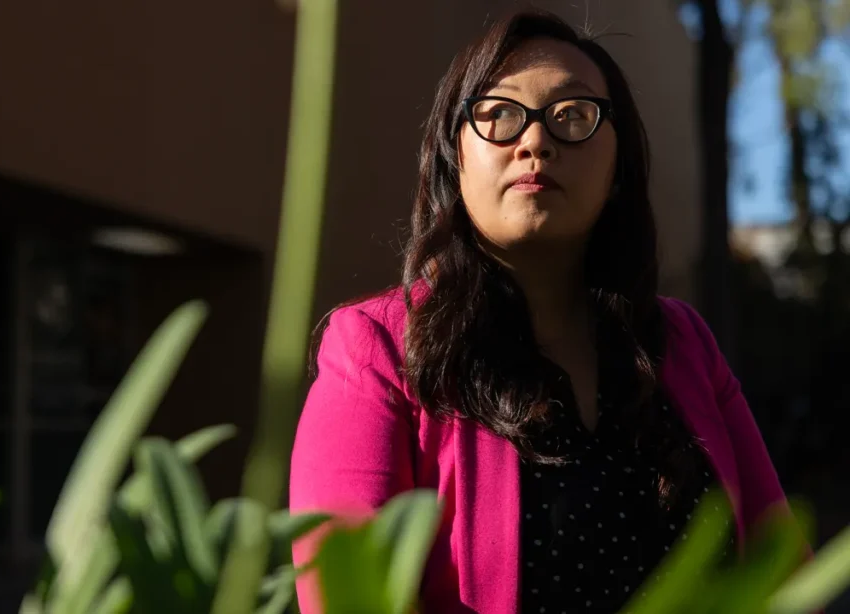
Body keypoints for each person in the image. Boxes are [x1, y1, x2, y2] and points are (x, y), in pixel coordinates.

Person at [289, 10, 796, 614]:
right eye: (499, 115)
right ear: (456, 158)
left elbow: (781, 574)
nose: (535, 141)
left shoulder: (685, 342)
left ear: (617, 169)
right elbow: (350, 599)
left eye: (573, 117)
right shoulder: (376, 348)